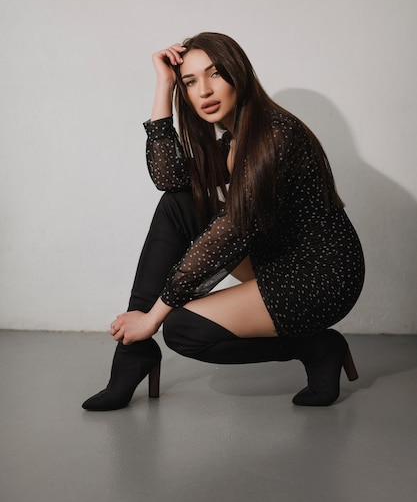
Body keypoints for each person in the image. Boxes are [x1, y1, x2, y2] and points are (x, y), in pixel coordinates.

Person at [82, 32, 365, 411]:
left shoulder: (273, 135)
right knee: (177, 204)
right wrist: (164, 85)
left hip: (320, 276)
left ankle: (318, 347)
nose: (204, 91)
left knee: (183, 330)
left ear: (238, 74)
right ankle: (133, 357)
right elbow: (170, 180)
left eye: (215, 74)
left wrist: (154, 316)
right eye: (190, 81)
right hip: (278, 259)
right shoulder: (232, 140)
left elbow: (228, 235)